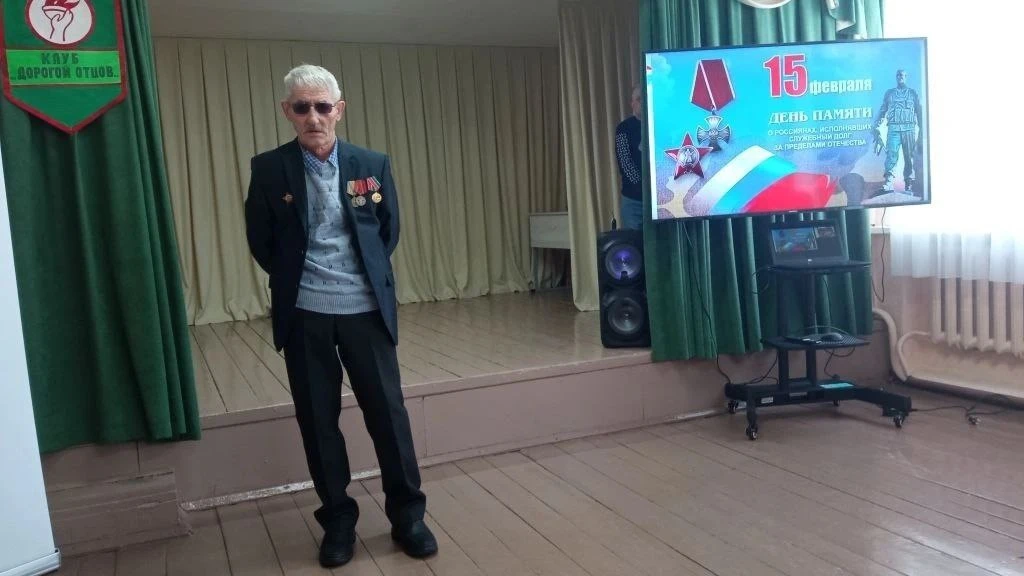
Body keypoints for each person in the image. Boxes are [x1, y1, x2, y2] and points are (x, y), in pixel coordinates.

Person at [244, 64, 436, 568]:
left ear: (339, 110)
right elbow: (261, 240)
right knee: (318, 421)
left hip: (365, 310)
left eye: (322, 106)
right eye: (302, 107)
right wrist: (299, 278)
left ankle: (408, 517)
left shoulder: (371, 163)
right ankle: (338, 522)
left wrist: (357, 277)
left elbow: (386, 232)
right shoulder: (269, 169)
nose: (314, 117)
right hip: (305, 312)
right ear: (287, 111)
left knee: (388, 417)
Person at [873, 69, 924, 195]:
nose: (900, 77)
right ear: (896, 77)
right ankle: (888, 182)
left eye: (902, 75)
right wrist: (876, 124)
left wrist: (922, 131)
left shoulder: (912, 93)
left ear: (906, 77)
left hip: (909, 128)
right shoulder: (889, 93)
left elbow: (919, 112)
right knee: (891, 155)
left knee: (909, 156)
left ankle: (908, 184)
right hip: (894, 128)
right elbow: (883, 109)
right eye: (898, 75)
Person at [614, 84, 644, 229]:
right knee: (634, 241)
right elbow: (625, 163)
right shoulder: (623, 129)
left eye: (645, 99)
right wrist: (644, 188)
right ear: (632, 103)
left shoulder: (660, 126)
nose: (642, 103)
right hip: (633, 202)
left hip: (661, 200)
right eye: (638, 99)